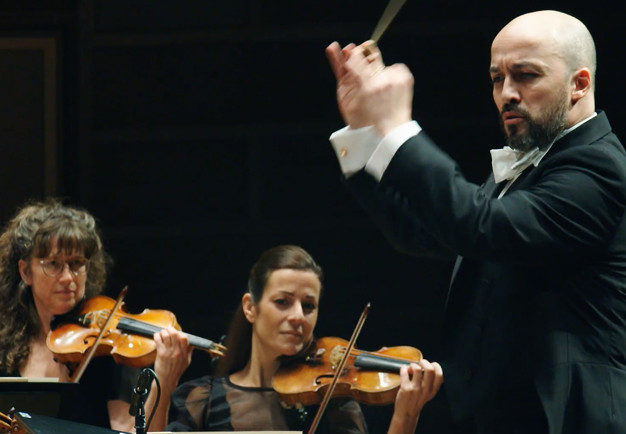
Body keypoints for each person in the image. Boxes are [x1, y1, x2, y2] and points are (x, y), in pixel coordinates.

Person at [325, 10, 626, 434]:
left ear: (579, 83)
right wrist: (363, 129)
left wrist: (397, 127)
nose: (507, 93)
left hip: (567, 419)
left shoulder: (598, 168)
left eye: (525, 75)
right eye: (497, 78)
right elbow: (423, 231)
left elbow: (480, 225)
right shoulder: (528, 169)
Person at [160, 245, 443, 433]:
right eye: (283, 302)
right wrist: (163, 381)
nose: (298, 317)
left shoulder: (332, 402)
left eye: (309, 306)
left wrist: (406, 415)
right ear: (250, 307)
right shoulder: (201, 399)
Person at [0, 198, 192, 431]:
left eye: (77, 263)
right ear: (25, 271)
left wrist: (164, 382)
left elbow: (131, 432)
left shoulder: (107, 349)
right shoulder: (5, 348)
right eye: (53, 264)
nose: (68, 278)